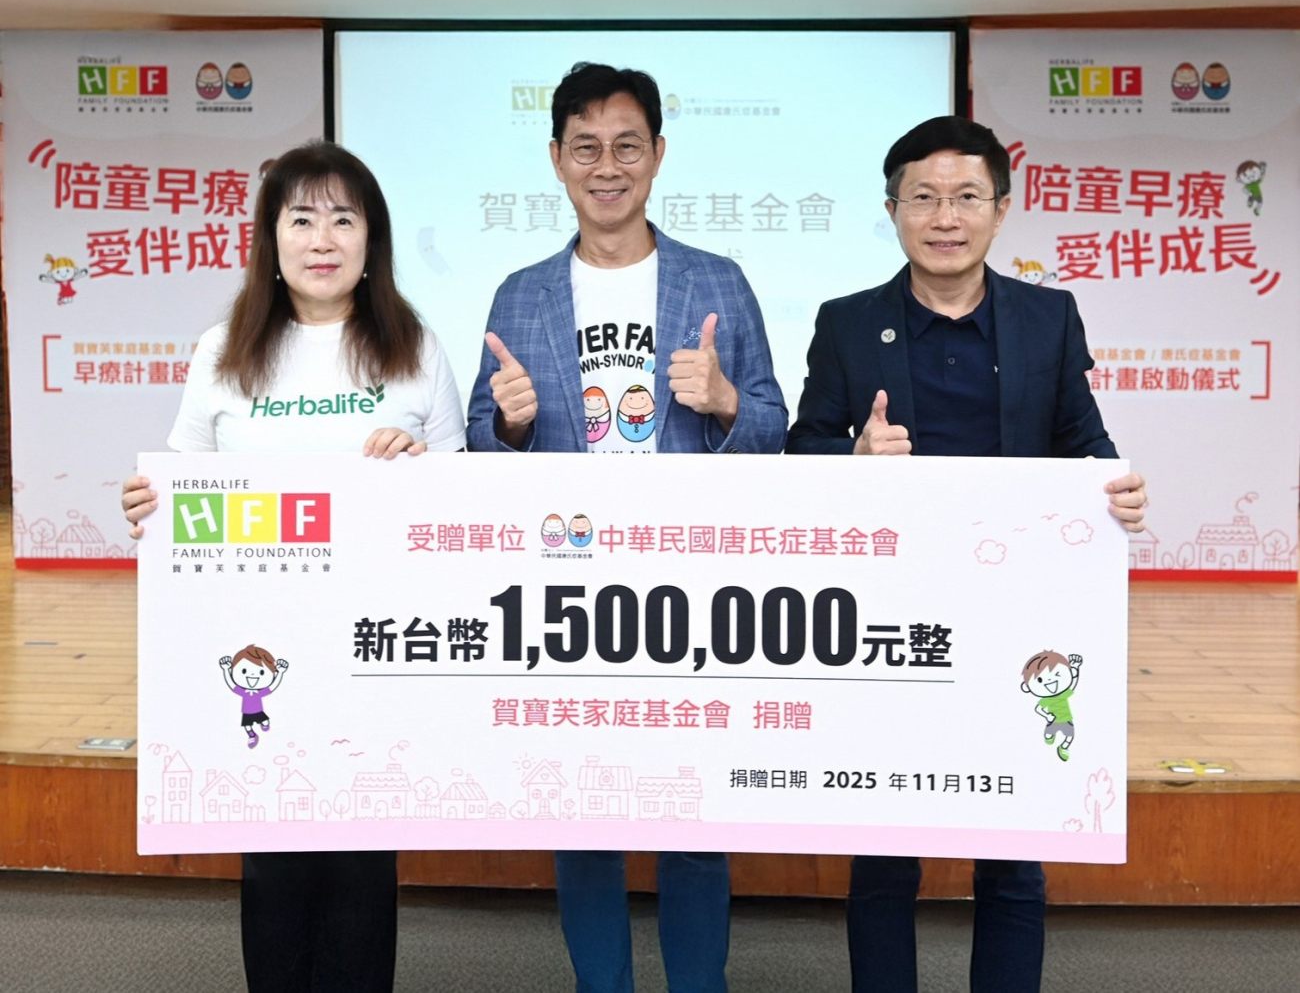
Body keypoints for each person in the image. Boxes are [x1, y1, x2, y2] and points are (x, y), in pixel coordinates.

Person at [784, 115, 1147, 993]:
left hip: (1015, 612)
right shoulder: (847, 322)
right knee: (884, 854)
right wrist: (854, 454)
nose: (945, 218)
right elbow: (800, 450)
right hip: (889, 618)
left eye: (966, 198)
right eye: (924, 198)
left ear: (1001, 209)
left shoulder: (1048, 317)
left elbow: (1083, 442)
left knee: (1013, 855)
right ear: (893, 210)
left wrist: (1117, 487)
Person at [467, 62, 787, 993]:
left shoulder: (716, 279)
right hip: (566, 592)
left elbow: (775, 428)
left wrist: (726, 401)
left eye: (626, 147)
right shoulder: (521, 293)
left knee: (694, 818)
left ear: (658, 154)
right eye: (586, 148)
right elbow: (481, 442)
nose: (606, 167)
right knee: (584, 819)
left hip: (690, 589)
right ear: (556, 159)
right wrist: (510, 426)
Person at [121, 141, 466, 993]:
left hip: (375, 650)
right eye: (302, 218)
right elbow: (182, 488)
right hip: (259, 651)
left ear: (371, 240)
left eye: (344, 219)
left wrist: (419, 466)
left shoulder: (415, 347)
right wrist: (146, 506)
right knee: (272, 869)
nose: (323, 239)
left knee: (360, 870)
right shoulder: (223, 350)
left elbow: (459, 503)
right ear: (270, 238)